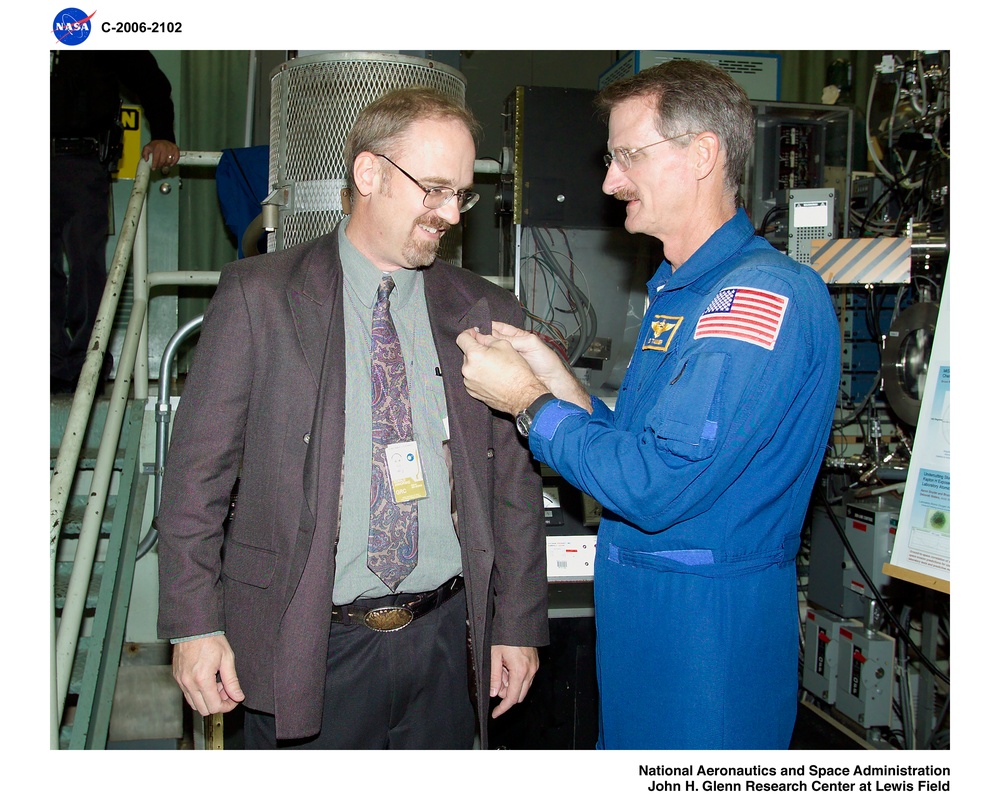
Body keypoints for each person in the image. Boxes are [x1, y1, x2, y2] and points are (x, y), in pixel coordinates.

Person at [457, 60, 841, 749]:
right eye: (611, 159)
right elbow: (641, 447)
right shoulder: (681, 293)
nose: (609, 181)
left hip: (706, 643)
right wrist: (558, 384)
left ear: (702, 154)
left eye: (628, 156)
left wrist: (526, 402)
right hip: (646, 632)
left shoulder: (755, 299)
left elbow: (656, 486)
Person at [156, 86, 548, 749]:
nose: (451, 213)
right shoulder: (262, 298)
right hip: (304, 642)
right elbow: (196, 479)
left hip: (445, 645)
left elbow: (513, 487)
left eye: (462, 193)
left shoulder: (484, 311)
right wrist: (195, 626)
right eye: (433, 189)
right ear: (368, 174)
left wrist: (516, 622)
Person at [51, 50, 180, 394]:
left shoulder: (96, 26)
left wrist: (164, 133)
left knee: (86, 263)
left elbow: (150, 79)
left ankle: (85, 365)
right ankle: (47, 363)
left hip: (82, 160)